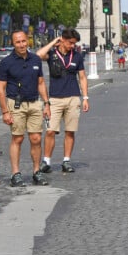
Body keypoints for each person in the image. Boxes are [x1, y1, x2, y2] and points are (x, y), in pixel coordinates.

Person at [0, 30, 50, 187]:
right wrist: (5, 111)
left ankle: (36, 172)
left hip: (34, 103)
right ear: (13, 44)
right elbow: (1, 89)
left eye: (23, 41)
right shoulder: (6, 62)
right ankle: (16, 173)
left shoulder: (36, 59)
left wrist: (47, 103)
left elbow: (41, 83)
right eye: (17, 42)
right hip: (16, 103)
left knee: (36, 139)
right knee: (17, 138)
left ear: (28, 41)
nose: (21, 44)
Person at [36, 28, 90, 173]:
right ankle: (46, 161)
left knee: (70, 131)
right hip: (54, 98)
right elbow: (38, 55)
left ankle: (66, 160)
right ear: (63, 40)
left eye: (74, 43)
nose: (73, 46)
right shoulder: (52, 54)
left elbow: (83, 77)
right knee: (50, 131)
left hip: (73, 97)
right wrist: (53, 41)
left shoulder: (77, 56)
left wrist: (85, 97)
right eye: (70, 43)